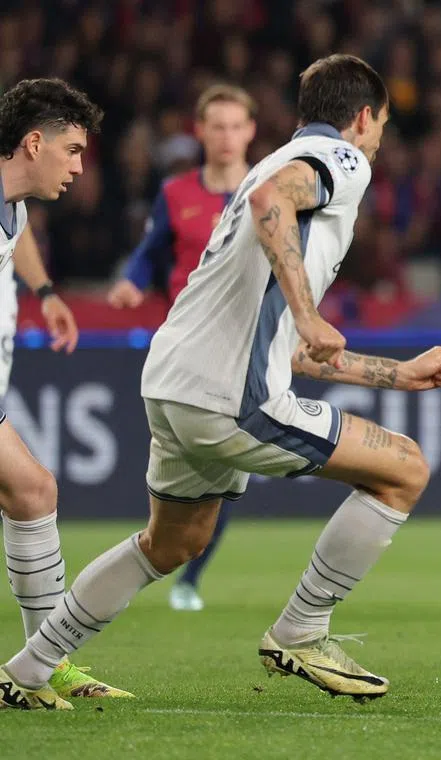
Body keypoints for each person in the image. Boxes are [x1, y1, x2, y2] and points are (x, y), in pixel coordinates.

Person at [0, 54, 441, 710]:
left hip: (170, 382)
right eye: (381, 124)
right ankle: (301, 630)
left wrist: (398, 374)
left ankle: (28, 667)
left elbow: (289, 347)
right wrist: (308, 312)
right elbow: (276, 221)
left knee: (173, 543)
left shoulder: (262, 168)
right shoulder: (339, 163)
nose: (379, 137)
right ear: (363, 118)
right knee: (405, 469)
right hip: (227, 395)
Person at [0, 78, 131, 703]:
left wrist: (45, 293)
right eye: (72, 150)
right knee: (33, 490)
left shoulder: (13, 203)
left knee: (32, 492)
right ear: (34, 143)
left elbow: (15, 235)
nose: (80, 166)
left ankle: (41, 667)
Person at [107, 84, 258, 613]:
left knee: (227, 465)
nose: (226, 136)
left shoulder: (268, 190)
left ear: (251, 132)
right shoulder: (175, 193)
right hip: (188, 348)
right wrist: (132, 281)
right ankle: (171, 555)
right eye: (217, 126)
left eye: (235, 125)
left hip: (245, 351)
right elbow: (149, 255)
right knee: (201, 463)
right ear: (200, 131)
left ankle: (188, 573)